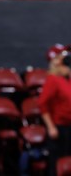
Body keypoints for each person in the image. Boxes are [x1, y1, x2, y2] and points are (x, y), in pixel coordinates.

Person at [39, 44, 71, 176]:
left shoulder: (67, 80)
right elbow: (42, 104)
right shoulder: (53, 79)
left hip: (69, 126)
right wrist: (51, 127)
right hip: (60, 128)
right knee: (57, 165)